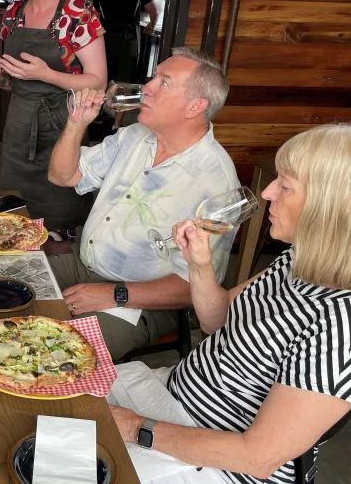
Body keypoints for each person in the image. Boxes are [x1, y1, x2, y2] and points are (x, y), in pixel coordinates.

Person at [106, 123, 351, 484]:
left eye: (285, 185)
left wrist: (135, 427)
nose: (266, 193)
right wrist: (199, 265)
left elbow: (258, 457)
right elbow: (217, 321)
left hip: (217, 465)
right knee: (54, 400)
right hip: (172, 400)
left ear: (333, 205)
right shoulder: (303, 260)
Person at [46, 47, 238, 360]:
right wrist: (77, 124)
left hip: (142, 301)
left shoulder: (217, 183)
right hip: (84, 265)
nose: (147, 86)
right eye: (154, 77)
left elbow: (195, 286)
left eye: (164, 81)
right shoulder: (135, 135)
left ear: (195, 106)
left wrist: (115, 294)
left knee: (56, 355)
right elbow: (62, 175)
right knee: (1, 285)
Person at [0, 0, 106, 237]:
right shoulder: (14, 13)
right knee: (16, 220)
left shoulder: (78, 12)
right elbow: (12, 84)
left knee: (59, 224)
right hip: (19, 133)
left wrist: (47, 75)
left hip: (63, 132)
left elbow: (98, 82)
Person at [93, 0, 159, 134]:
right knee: (124, 80)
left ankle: (97, 114)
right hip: (128, 37)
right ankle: (116, 125)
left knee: (103, 77)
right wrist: (152, 24)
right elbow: (153, 9)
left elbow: (94, 14)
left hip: (106, 37)